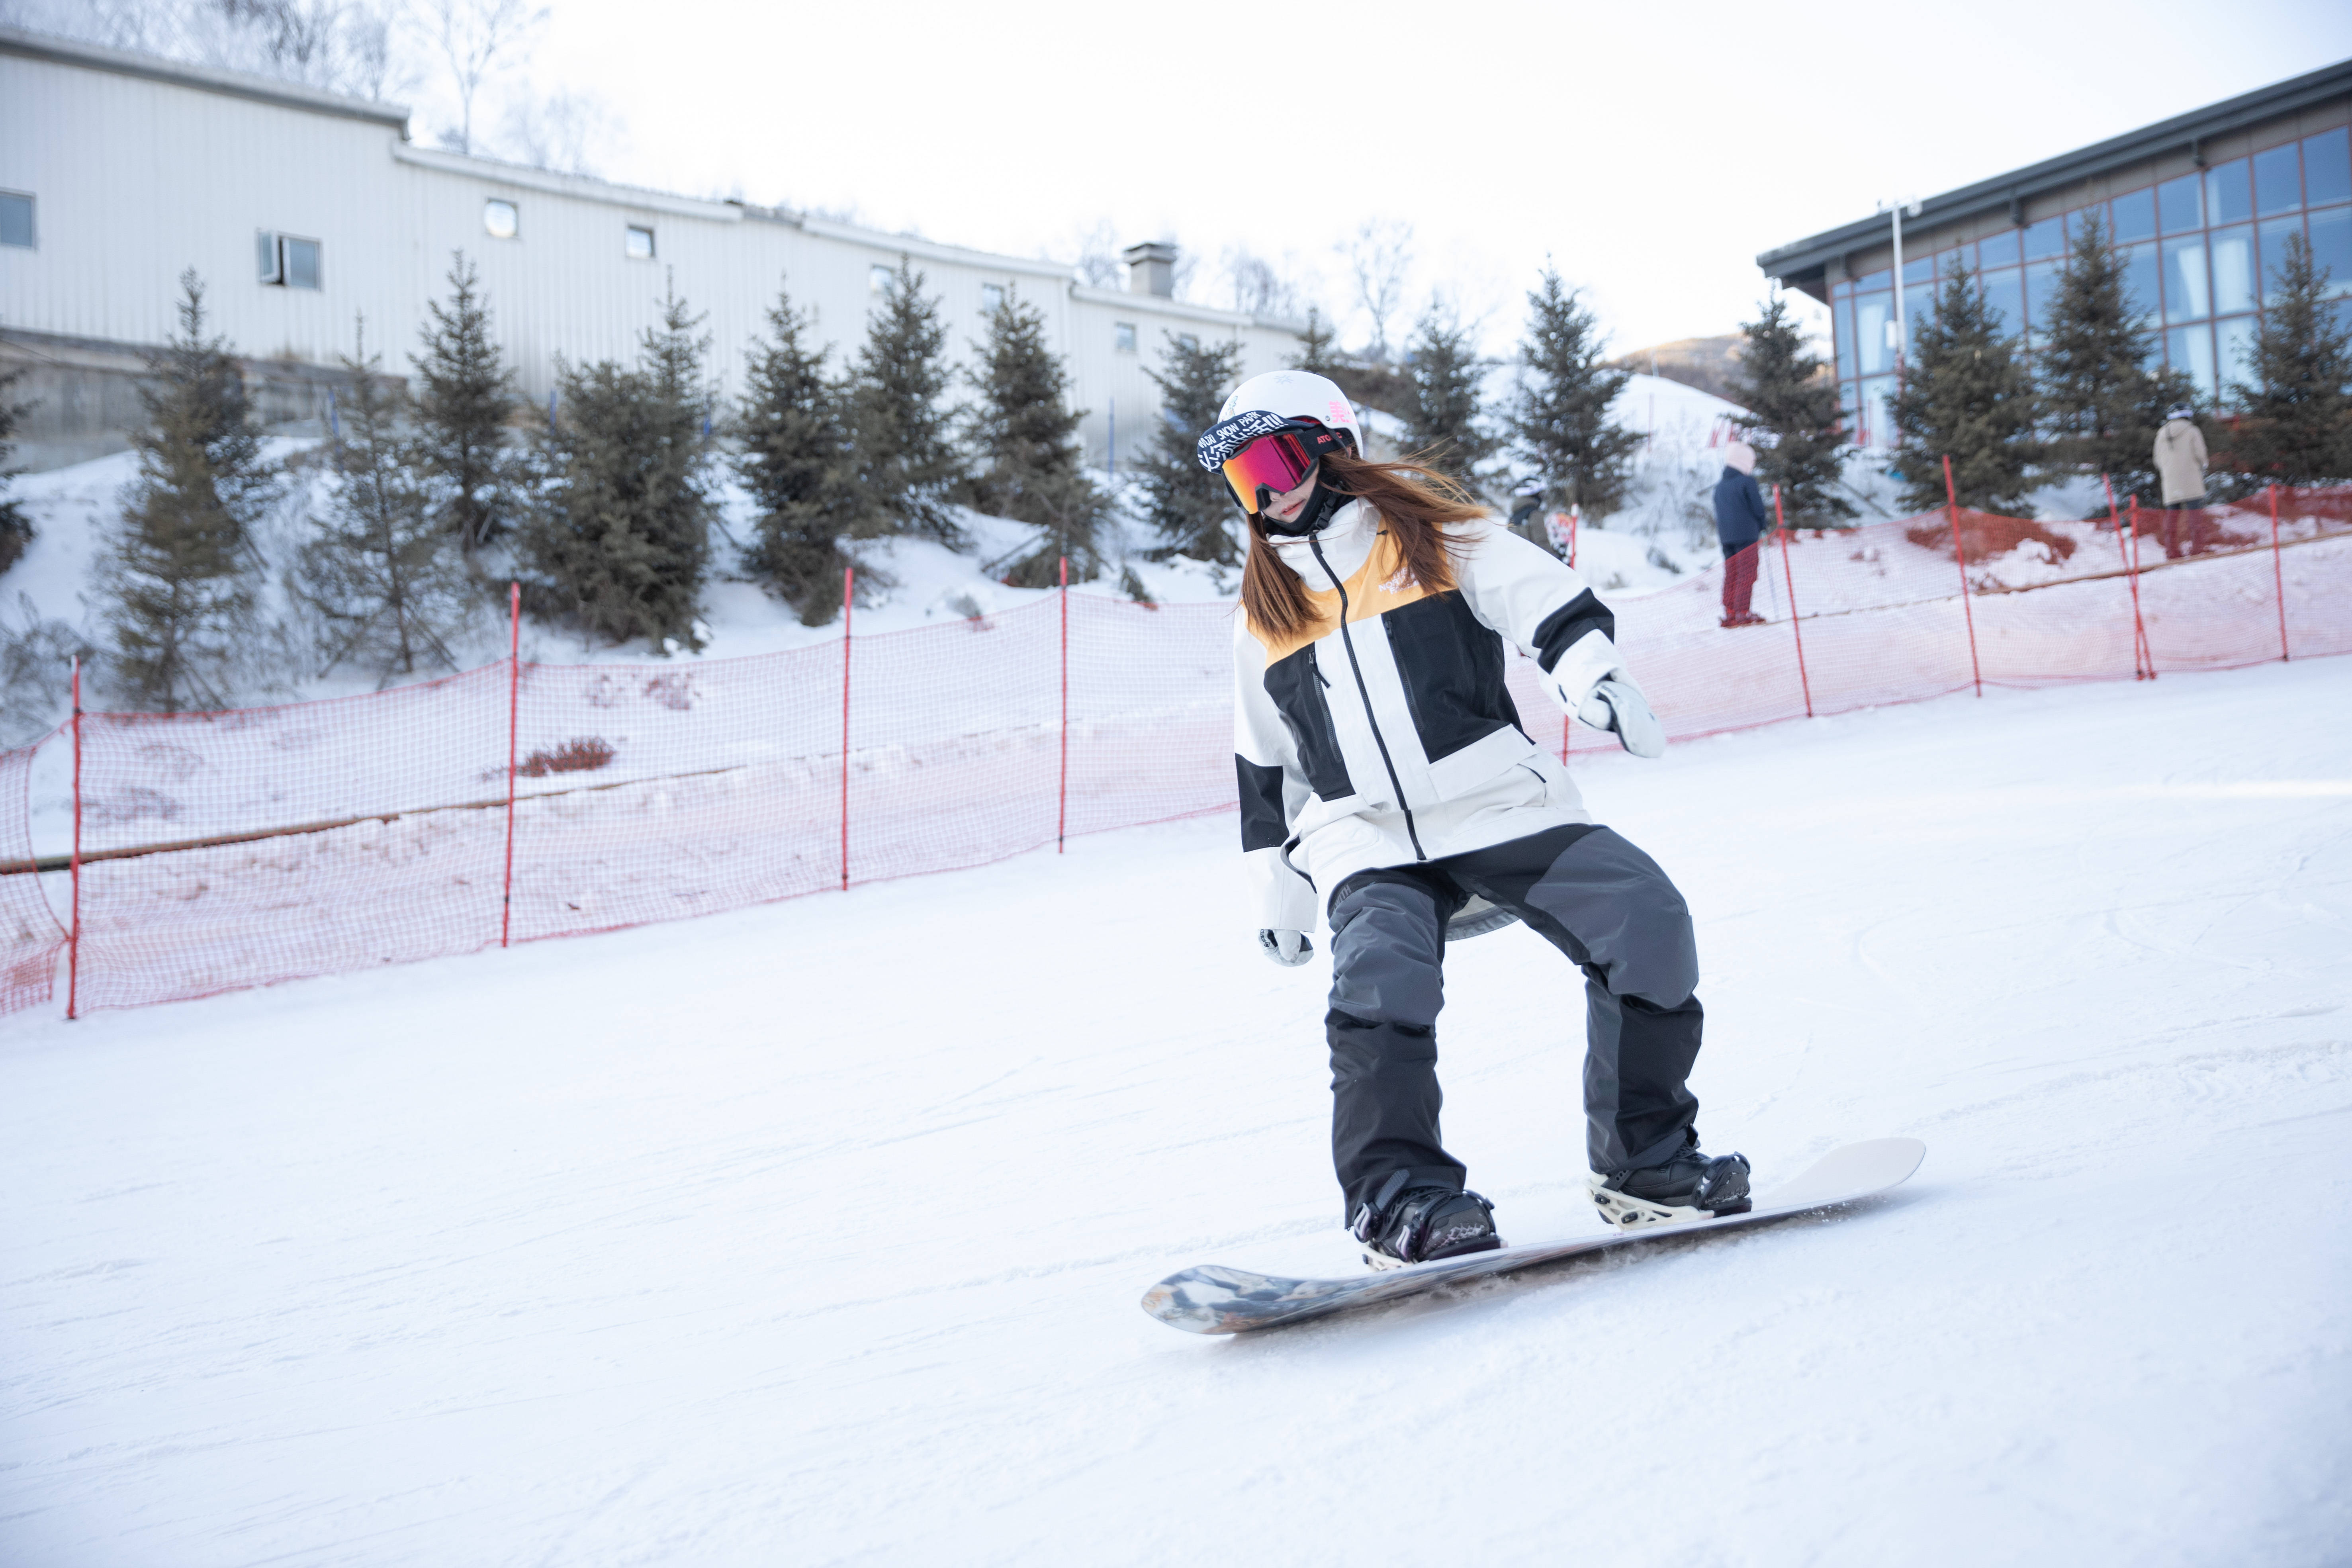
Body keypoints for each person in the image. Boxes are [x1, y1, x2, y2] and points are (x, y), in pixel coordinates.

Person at [1201, 370, 1750, 1270]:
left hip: (1499, 803)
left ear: (1330, 445)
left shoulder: (1439, 540)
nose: (1264, 494)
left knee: (1644, 919)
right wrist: (1278, 887)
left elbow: (1545, 606)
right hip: (1365, 834)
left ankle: (1646, 1167)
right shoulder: (1262, 615)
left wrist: (1590, 679)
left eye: (1273, 460)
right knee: (1380, 980)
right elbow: (1266, 763)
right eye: (1239, 480)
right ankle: (1402, 1200)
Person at [1712, 441, 1769, 627]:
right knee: (1747, 574)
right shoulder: (1747, 482)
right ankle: (1742, 612)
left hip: (1726, 537)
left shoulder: (1720, 486)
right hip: (1746, 535)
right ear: (1744, 461)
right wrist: (1763, 525)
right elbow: (1758, 508)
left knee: (1732, 573)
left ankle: (1730, 612)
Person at [2152, 402, 2209, 560]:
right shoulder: (2192, 431)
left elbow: (2157, 461)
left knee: (2172, 517)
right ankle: (2198, 549)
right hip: (2191, 479)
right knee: (2195, 517)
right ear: (2187, 414)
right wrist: (2203, 464)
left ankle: (2172, 551)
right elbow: (2201, 455)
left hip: (2171, 482)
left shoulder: (2161, 433)